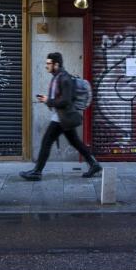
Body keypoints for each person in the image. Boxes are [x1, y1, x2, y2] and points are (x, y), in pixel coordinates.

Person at [20, 52, 102, 181]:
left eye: (49, 63)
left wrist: (48, 100)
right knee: (75, 142)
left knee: (46, 141)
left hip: (61, 118)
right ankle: (94, 164)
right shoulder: (57, 76)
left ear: (56, 64)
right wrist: (47, 99)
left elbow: (66, 101)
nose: (46, 66)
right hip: (62, 117)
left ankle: (37, 172)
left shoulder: (64, 78)